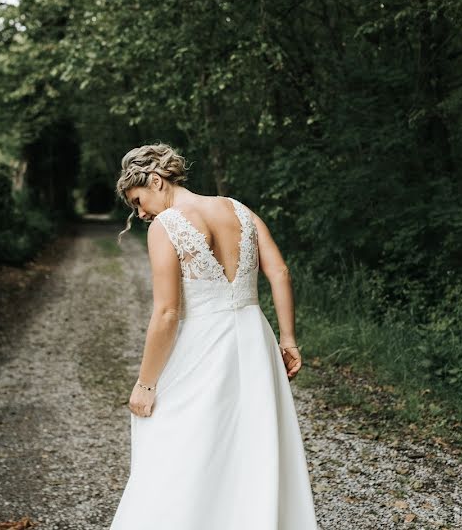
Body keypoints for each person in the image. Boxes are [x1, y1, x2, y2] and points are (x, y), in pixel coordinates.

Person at [109, 143, 320, 530]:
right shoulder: (240, 210)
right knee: (252, 442)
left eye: (139, 201)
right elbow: (280, 273)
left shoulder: (166, 226)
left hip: (204, 343)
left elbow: (168, 312)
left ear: (156, 181)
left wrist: (146, 383)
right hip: (255, 339)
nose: (140, 213)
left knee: (179, 441)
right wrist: (288, 340)